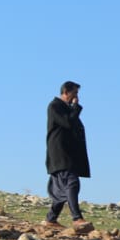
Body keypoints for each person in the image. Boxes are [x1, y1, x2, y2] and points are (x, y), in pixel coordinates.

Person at [43, 81, 90, 228]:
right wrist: (76, 108)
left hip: (68, 154)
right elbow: (67, 123)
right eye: (74, 93)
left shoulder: (66, 108)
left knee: (61, 188)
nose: (76, 97)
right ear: (66, 92)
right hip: (60, 154)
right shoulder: (55, 106)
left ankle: (51, 219)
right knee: (71, 183)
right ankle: (77, 218)